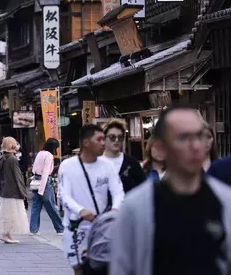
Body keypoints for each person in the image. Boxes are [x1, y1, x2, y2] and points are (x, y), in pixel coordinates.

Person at [111, 106, 231, 275]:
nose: (195, 146)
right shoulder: (136, 207)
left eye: (199, 136)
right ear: (161, 147)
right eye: (183, 138)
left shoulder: (224, 200)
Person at [58, 124, 124, 274]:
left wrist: (115, 209)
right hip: (77, 227)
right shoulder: (68, 166)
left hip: (101, 228)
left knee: (103, 267)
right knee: (79, 269)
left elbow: (118, 191)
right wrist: (80, 210)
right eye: (99, 139)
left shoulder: (107, 166)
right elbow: (64, 194)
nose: (103, 143)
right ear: (86, 142)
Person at [99, 119, 146, 193]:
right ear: (104, 138)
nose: (117, 140)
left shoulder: (132, 163)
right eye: (112, 137)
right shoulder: (96, 162)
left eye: (120, 137)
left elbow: (143, 188)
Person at [0, 137, 29, 244]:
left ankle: (7, 234)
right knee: (12, 214)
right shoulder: (12, 159)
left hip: (5, 190)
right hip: (13, 190)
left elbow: (1, 176)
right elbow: (18, 177)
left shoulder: (2, 158)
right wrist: (23, 192)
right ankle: (6, 235)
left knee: (6, 213)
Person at [29, 138, 64, 235]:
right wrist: (42, 189)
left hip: (36, 180)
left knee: (36, 206)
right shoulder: (49, 156)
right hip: (45, 182)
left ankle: (33, 229)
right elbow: (45, 173)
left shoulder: (40, 153)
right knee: (51, 206)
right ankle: (60, 228)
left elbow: (34, 169)